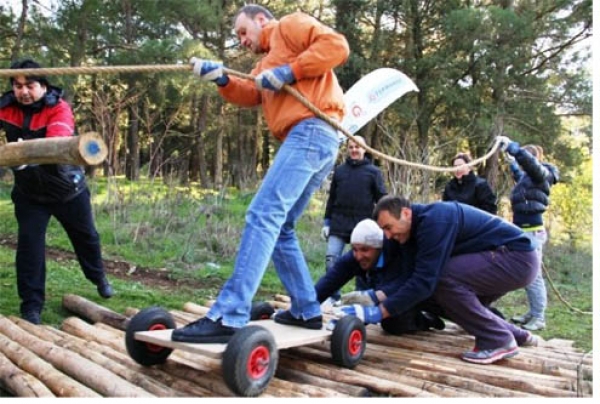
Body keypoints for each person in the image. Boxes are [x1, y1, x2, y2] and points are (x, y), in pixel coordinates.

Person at [172, 4, 350, 343]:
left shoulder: (289, 26)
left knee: (263, 214)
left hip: (312, 130)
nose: (241, 41)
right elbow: (251, 92)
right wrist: (222, 78)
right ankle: (306, 310)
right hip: (316, 138)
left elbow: (337, 46)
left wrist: (290, 71)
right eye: (237, 37)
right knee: (281, 226)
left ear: (261, 20)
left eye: (243, 32)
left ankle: (229, 315)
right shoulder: (264, 64)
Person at [336, 195, 540, 365]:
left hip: (516, 257)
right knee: (437, 293)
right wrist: (372, 297)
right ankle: (517, 334)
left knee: (441, 279)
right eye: (384, 231)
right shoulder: (410, 236)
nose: (387, 236)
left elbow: (425, 281)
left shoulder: (435, 220)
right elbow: (409, 278)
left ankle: (497, 340)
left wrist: (379, 312)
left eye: (389, 227)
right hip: (503, 259)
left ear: (406, 213)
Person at [0, 59, 114, 325]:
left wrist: (24, 153)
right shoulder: (5, 107)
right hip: (29, 195)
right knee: (29, 248)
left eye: (30, 85)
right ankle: (31, 305)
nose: (23, 92)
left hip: (67, 191)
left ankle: (98, 277)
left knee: (87, 238)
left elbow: (56, 143)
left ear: (43, 86)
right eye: (17, 86)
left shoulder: (59, 108)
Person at [316, 219, 445, 334]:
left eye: (365, 250)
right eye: (355, 249)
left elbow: (408, 280)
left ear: (379, 248)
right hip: (387, 290)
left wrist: (371, 298)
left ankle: (426, 320)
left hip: (420, 292)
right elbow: (329, 281)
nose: (359, 256)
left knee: (392, 322)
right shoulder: (354, 258)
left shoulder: (399, 251)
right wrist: (307, 303)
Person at [499, 137, 559, 331]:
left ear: (532, 159)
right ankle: (532, 313)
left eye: (524, 160)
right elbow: (520, 174)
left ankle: (539, 317)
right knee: (527, 273)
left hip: (532, 231)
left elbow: (531, 167)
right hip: (520, 229)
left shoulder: (542, 174)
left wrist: (515, 150)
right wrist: (511, 163)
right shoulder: (528, 178)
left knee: (533, 276)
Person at [321, 135, 387, 296]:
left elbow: (382, 199)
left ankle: (361, 296)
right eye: (351, 147)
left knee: (363, 263)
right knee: (331, 261)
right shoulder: (340, 171)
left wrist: (382, 223)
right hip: (338, 224)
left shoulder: (374, 172)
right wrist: (326, 222)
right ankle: (333, 297)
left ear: (364, 149)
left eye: (357, 147)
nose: (354, 150)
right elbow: (332, 199)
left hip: (362, 225)